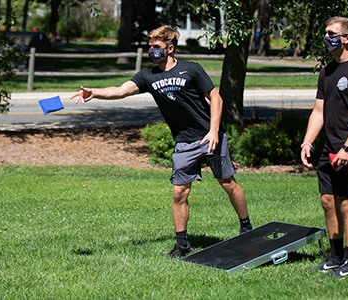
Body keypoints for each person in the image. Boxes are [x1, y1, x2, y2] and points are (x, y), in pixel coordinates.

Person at [71, 25, 253, 259]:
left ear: (170, 48)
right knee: (179, 193)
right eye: (150, 46)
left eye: (156, 46)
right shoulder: (148, 76)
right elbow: (121, 90)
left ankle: (246, 227)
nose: (151, 50)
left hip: (209, 136)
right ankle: (182, 244)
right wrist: (94, 92)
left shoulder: (191, 70)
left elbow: (216, 97)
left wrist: (214, 130)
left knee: (227, 183)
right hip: (184, 142)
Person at [301, 17, 348, 278]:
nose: (326, 37)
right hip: (330, 147)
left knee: (347, 203)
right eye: (325, 32)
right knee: (328, 201)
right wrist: (308, 141)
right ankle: (334, 257)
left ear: (347, 38)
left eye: (332, 33)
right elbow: (319, 111)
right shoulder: (328, 71)